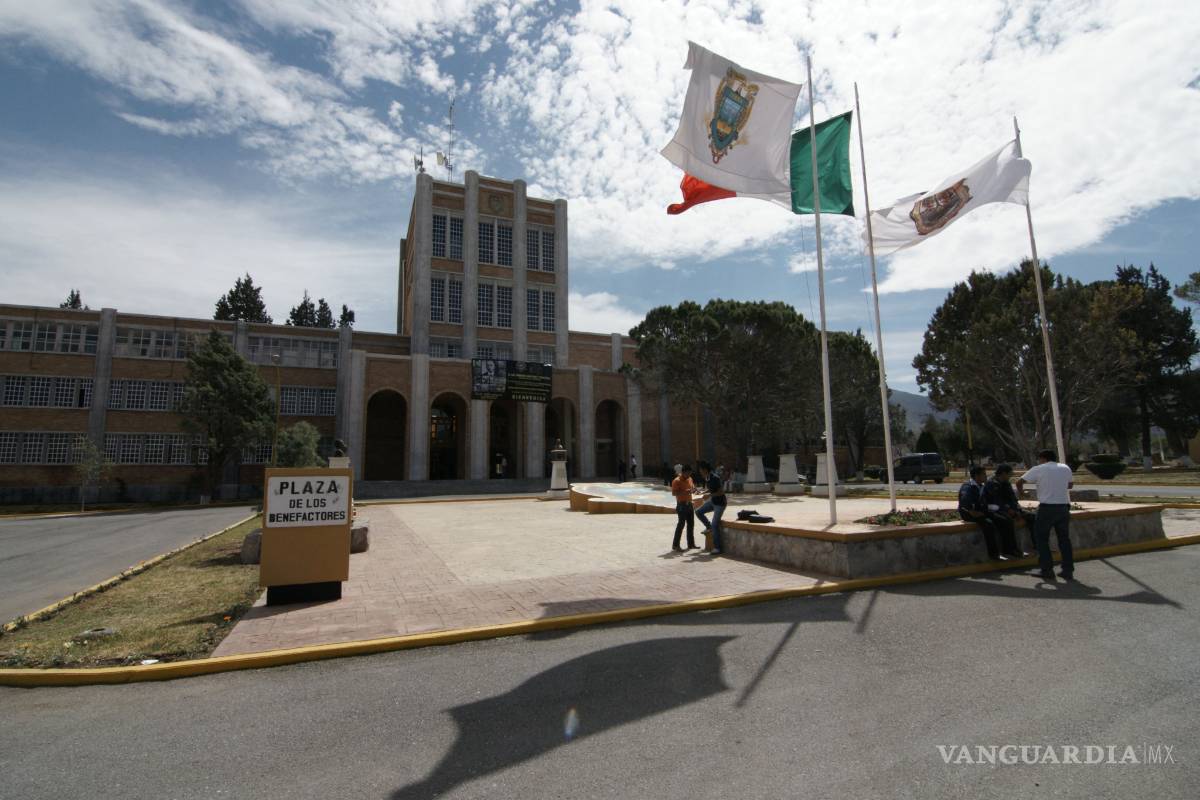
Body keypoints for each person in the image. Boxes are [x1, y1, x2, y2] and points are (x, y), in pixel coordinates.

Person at [1017, 449, 1075, 581]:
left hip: (1047, 508)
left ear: (1042, 458)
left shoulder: (1039, 468)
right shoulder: (1065, 467)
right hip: (1063, 507)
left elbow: (1019, 482)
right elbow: (1070, 485)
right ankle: (1068, 570)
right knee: (1064, 539)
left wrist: (1022, 493)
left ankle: (1047, 569)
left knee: (1041, 539)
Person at [958, 465, 1017, 560]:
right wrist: (972, 511)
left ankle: (1009, 550)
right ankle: (994, 554)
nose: (986, 476)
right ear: (977, 476)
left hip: (982, 511)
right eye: (983, 474)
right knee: (988, 525)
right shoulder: (968, 487)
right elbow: (964, 501)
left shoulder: (982, 486)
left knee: (1005, 520)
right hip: (969, 513)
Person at [983, 464, 1035, 554]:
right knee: (1007, 522)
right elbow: (997, 501)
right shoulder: (991, 483)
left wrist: (1017, 509)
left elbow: (1012, 498)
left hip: (1011, 509)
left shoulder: (1006, 483)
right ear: (1003, 473)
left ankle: (1036, 545)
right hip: (996, 509)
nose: (1010, 476)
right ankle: (1010, 549)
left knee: (1033, 517)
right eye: (1009, 474)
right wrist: (1009, 510)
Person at [695, 461, 728, 555]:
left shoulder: (715, 478)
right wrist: (703, 492)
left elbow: (721, 492)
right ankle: (708, 527)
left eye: (700, 470)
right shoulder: (707, 478)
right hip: (713, 501)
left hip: (720, 504)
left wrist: (709, 495)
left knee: (715, 525)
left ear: (705, 470)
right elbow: (711, 489)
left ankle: (717, 548)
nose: (699, 471)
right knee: (698, 512)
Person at [670, 464, 697, 551]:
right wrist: (686, 491)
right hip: (681, 505)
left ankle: (691, 544)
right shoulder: (676, 481)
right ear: (683, 472)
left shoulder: (690, 479)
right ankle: (675, 545)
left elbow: (692, 487)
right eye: (688, 473)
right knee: (681, 525)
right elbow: (674, 493)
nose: (689, 475)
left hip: (689, 504)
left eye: (690, 473)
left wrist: (695, 489)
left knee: (691, 524)